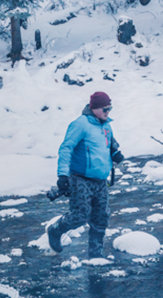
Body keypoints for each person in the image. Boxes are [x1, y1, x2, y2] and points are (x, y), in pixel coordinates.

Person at [48, 90, 123, 259]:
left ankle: (95, 257)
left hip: (101, 181)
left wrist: (115, 154)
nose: (108, 112)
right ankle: (54, 230)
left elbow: (109, 146)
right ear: (94, 108)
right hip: (80, 178)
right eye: (105, 109)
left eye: (110, 108)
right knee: (80, 216)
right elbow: (66, 148)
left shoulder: (107, 126)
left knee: (101, 218)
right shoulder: (79, 124)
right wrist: (62, 176)